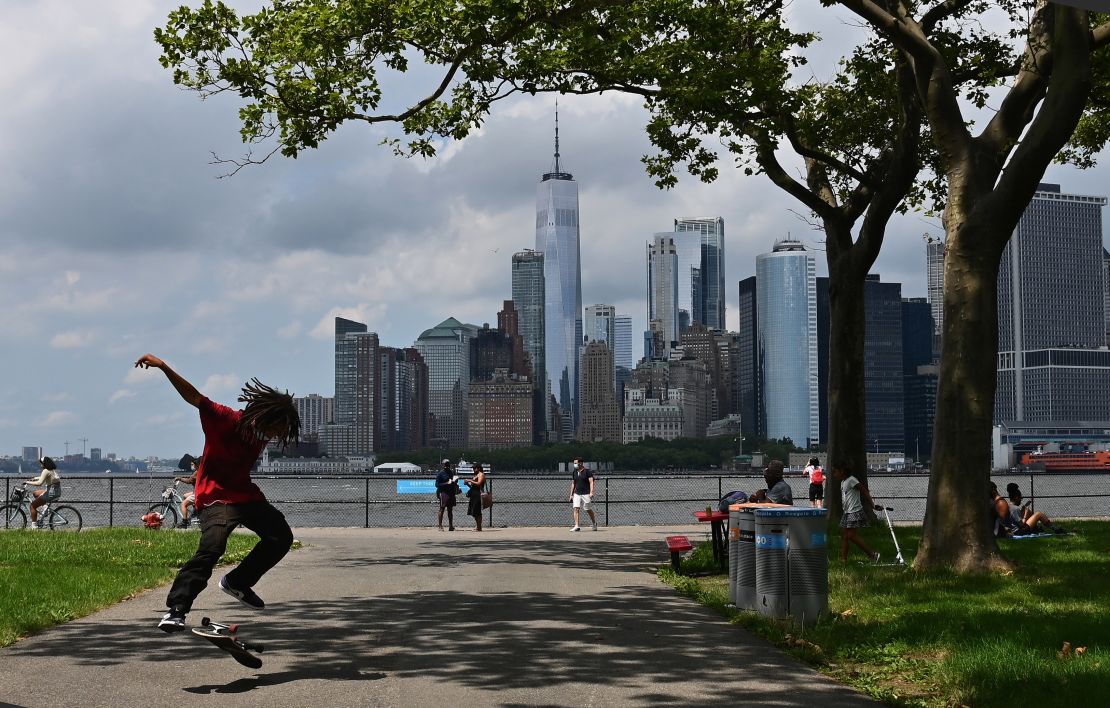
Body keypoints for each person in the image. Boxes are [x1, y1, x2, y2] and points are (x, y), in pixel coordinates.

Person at [135, 353, 300, 633]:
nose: (274, 437)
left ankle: (238, 582)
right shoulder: (225, 419)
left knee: (281, 537)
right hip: (215, 497)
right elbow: (194, 397)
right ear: (261, 417)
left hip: (245, 495)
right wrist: (163, 367)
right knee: (212, 547)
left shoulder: (260, 435)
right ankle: (176, 610)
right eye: (274, 429)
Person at [832, 463, 881, 563]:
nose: (834, 474)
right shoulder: (843, 482)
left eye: (835, 472)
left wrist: (872, 505)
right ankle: (843, 560)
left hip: (855, 511)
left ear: (841, 470)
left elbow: (864, 491)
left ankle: (872, 555)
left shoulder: (852, 480)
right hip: (847, 512)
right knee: (845, 536)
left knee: (851, 536)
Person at [992, 482, 1064, 536]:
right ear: (1016, 497)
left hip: (1015, 529)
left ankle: (1037, 529)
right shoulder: (1014, 508)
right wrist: (1025, 514)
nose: (1021, 499)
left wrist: (1025, 511)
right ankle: (1055, 529)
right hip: (1019, 532)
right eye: (1020, 497)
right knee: (1038, 514)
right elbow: (1022, 525)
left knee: (1028, 511)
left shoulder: (1008, 505)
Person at [26, 456, 62, 529]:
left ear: (45, 463)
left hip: (51, 492)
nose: (40, 465)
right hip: (56, 491)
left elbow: (40, 483)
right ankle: (45, 508)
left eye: (41, 463)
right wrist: (35, 478)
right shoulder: (51, 470)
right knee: (35, 493)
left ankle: (34, 526)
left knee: (33, 506)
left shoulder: (46, 470)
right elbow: (44, 477)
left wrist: (27, 482)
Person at [569, 458, 598, 532]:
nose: (574, 464)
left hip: (586, 493)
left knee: (587, 509)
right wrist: (571, 494)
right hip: (577, 493)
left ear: (581, 463)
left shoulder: (587, 472)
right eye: (574, 463)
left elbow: (591, 482)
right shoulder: (574, 472)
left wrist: (591, 492)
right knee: (576, 508)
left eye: (576, 463)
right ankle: (577, 526)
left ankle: (594, 523)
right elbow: (573, 483)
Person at [174, 454, 200, 528]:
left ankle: (184, 522)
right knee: (185, 495)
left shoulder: (197, 472)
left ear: (196, 464)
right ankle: (195, 510)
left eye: (192, 464)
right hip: (197, 491)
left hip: (197, 493)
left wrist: (180, 478)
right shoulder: (199, 471)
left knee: (183, 504)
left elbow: (189, 481)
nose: (191, 466)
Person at [435, 459, 457, 531]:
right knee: (442, 509)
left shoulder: (451, 472)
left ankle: (451, 526)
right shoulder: (440, 473)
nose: (447, 465)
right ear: (443, 465)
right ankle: (440, 526)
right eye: (445, 464)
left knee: (450, 510)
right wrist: (446, 483)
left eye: (448, 464)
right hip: (443, 493)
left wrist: (455, 481)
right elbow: (437, 484)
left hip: (451, 492)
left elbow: (452, 481)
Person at [464, 463, 487, 532]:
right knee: (473, 511)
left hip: (478, 495)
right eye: (473, 468)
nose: (473, 470)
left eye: (474, 468)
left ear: (478, 468)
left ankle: (479, 527)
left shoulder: (481, 474)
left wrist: (470, 480)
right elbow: (473, 487)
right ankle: (478, 526)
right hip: (473, 494)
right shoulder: (476, 475)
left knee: (477, 511)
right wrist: (467, 484)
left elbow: (479, 483)